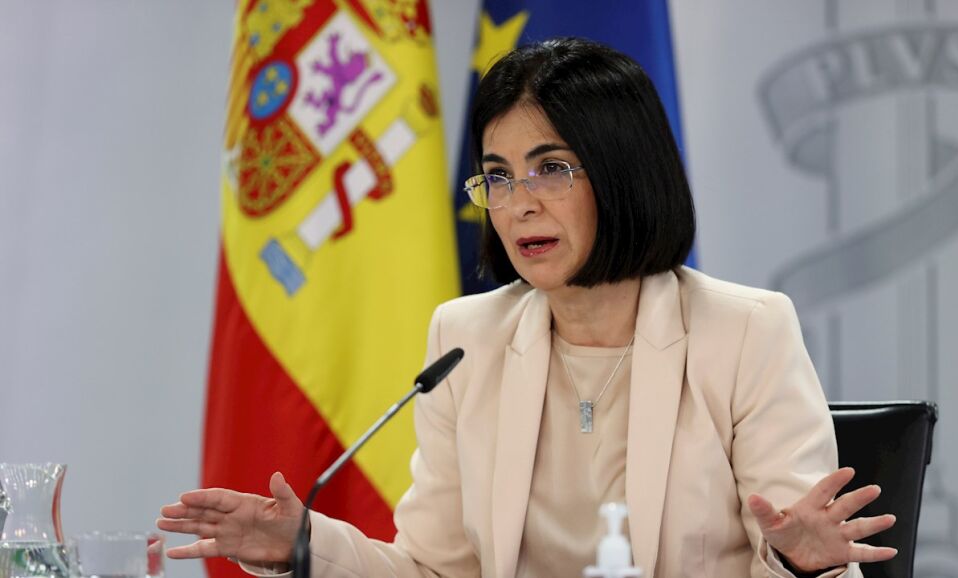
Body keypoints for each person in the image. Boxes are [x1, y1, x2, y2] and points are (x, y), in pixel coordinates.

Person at [158, 38, 897, 578]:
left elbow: (805, 552)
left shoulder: (744, 333)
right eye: (498, 176)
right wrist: (304, 547)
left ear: (623, 174)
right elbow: (434, 570)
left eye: (551, 169)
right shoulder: (466, 339)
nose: (519, 204)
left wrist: (804, 566)